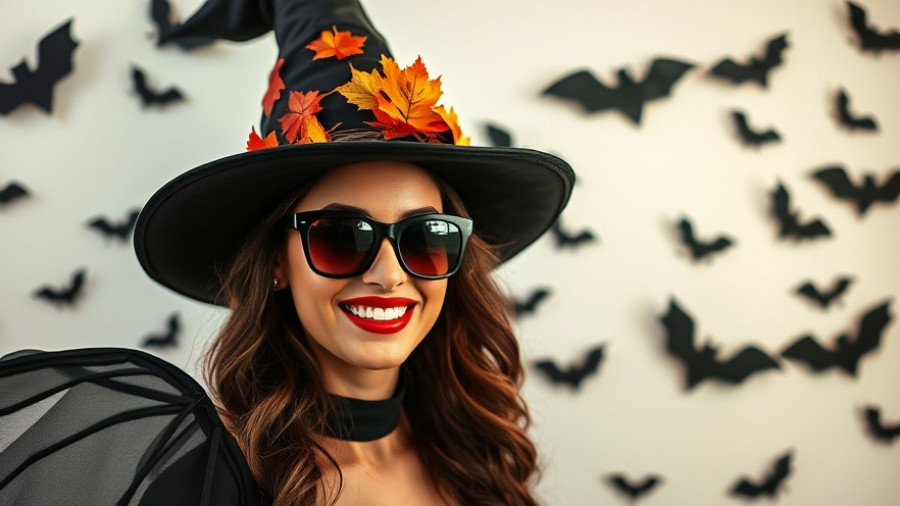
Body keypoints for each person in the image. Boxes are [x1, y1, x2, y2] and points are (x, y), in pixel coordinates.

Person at [0, 0, 574, 504]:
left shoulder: (478, 456)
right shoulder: (206, 471)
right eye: (339, 236)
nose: (388, 275)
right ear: (277, 263)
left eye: (425, 240)